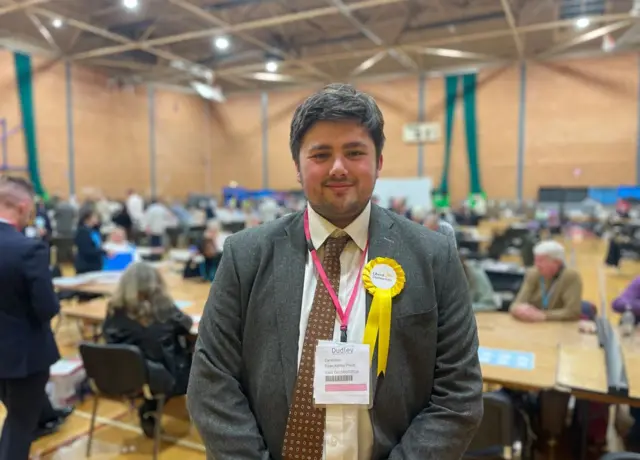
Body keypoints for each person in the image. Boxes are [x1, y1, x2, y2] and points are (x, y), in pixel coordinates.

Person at [187, 83, 483, 460]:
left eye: (354, 152)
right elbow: (211, 383)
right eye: (321, 154)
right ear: (298, 167)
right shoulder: (246, 255)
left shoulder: (434, 256)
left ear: (378, 162)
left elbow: (458, 395)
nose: (338, 167)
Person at [0, 176, 66, 459]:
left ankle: (47, 418)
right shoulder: (28, 249)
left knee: (16, 416)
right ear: (25, 206)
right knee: (18, 425)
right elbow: (47, 307)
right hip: (24, 355)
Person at [102, 262, 193, 438]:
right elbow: (186, 323)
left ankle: (149, 407)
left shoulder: (114, 310)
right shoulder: (163, 308)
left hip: (121, 375)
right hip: (164, 376)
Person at [509, 240, 583, 322]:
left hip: (559, 326)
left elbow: (573, 312)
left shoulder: (570, 276)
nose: (537, 265)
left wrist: (544, 316)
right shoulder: (533, 273)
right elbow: (516, 304)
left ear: (557, 262)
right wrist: (519, 310)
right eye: (536, 260)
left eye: (541, 261)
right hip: (533, 325)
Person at [74, 207, 104, 274]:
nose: (97, 219)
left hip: (96, 264)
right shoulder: (82, 232)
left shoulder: (95, 230)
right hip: (86, 265)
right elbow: (86, 250)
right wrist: (103, 252)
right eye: (95, 217)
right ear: (87, 219)